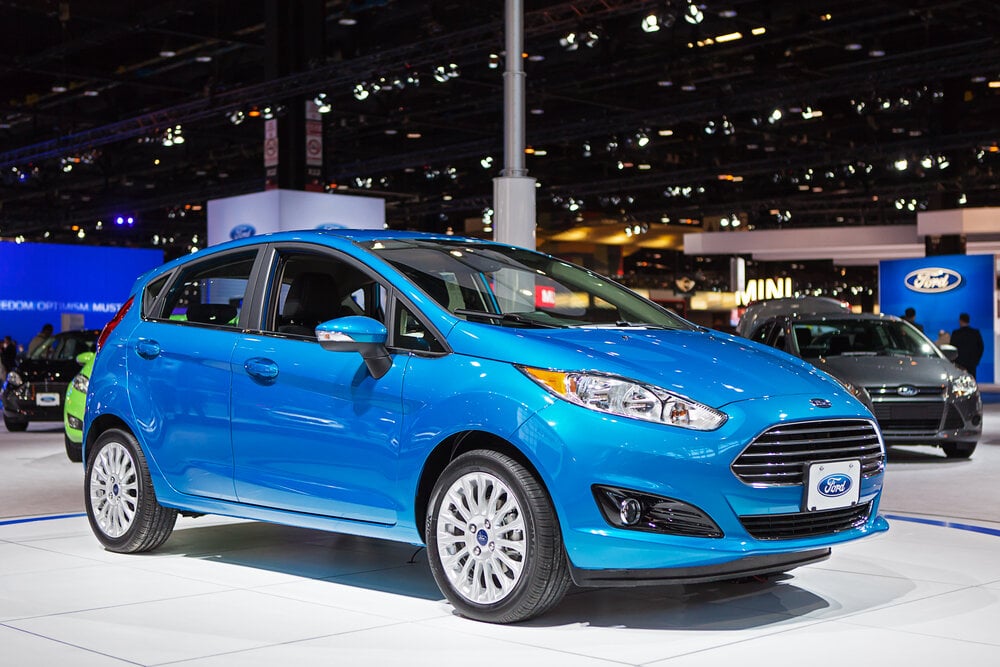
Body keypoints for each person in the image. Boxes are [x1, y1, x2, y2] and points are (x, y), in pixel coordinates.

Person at [950, 313, 984, 379]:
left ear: (960, 321)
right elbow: (981, 348)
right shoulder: (975, 333)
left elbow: (952, 349)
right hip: (971, 364)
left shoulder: (956, 333)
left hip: (959, 364)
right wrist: (976, 360)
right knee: (971, 382)